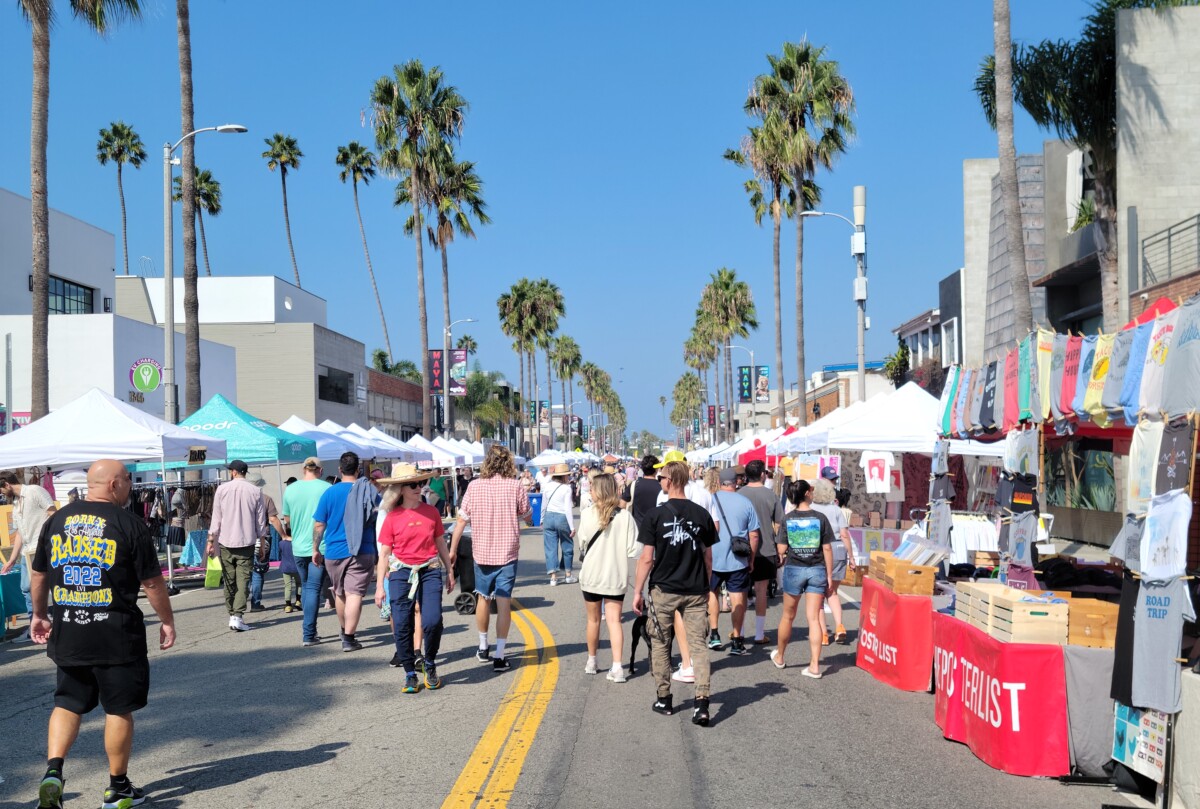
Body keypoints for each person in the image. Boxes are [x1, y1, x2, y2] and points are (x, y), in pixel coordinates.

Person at [30, 459, 175, 809]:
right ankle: (117, 787)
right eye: (127, 480)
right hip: (116, 634)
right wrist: (167, 621)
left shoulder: (57, 520)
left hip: (69, 629)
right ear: (113, 484)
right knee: (118, 709)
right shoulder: (129, 524)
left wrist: (38, 614)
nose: (130, 486)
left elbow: (38, 574)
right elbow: (152, 582)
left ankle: (53, 771)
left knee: (67, 702)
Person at [632, 460, 717, 725]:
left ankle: (664, 697)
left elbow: (646, 558)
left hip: (664, 589)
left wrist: (637, 591)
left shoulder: (655, 516)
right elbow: (708, 557)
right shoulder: (701, 514)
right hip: (694, 589)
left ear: (669, 481)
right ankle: (701, 703)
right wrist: (706, 583)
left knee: (660, 642)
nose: (660, 482)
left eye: (661, 478)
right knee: (698, 645)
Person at [374, 464, 455, 693]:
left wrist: (449, 570)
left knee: (432, 620)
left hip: (429, 570)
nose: (418, 487)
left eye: (419, 483)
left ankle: (429, 662)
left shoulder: (431, 512)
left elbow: (440, 542)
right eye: (412, 484)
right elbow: (384, 554)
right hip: (401, 573)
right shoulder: (391, 517)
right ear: (400, 488)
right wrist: (380, 586)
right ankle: (410, 672)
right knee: (401, 623)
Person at [449, 445, 530, 672]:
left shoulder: (474, 486)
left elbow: (461, 522)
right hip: (507, 552)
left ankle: (483, 646)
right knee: (504, 601)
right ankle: (500, 655)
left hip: (482, 552)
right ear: (508, 463)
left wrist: (453, 550)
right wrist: (527, 519)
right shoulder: (515, 486)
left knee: (482, 598)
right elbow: (526, 514)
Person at [313, 452, 379, 653]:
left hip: (334, 551)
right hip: (362, 549)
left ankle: (344, 630)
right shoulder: (369, 491)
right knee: (355, 593)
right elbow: (381, 517)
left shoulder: (329, 493)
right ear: (358, 469)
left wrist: (315, 549)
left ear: (340, 470)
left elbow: (319, 525)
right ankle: (349, 638)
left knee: (340, 592)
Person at [577, 473, 639, 682]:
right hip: (615, 575)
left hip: (592, 575)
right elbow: (633, 550)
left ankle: (591, 661)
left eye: (592, 488)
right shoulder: (625, 517)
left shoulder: (586, 514)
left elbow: (582, 542)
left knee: (593, 620)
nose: (590, 492)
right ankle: (617, 667)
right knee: (614, 621)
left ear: (598, 491)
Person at [771, 480, 835, 678]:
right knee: (814, 618)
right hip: (817, 569)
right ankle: (815, 665)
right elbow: (827, 548)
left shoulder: (788, 519)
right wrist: (830, 575)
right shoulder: (820, 518)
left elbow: (781, 549)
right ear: (807, 493)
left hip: (794, 569)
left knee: (787, 616)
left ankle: (780, 656)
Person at [207, 460, 267, 632]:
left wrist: (210, 541)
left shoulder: (222, 489)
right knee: (243, 581)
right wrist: (262, 544)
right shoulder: (256, 491)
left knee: (229, 581)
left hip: (225, 541)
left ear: (233, 472)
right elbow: (260, 522)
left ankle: (232, 613)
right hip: (247, 542)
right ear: (244, 472)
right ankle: (237, 615)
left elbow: (216, 519)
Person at [706, 467, 761, 656]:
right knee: (738, 596)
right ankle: (737, 639)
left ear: (719, 482)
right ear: (736, 482)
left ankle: (714, 634)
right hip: (738, 558)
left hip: (712, 556)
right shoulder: (745, 502)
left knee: (712, 592)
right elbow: (754, 535)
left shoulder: (710, 500)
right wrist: (751, 558)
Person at [0, 469, 56, 642]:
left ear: (7, 484)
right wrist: (11, 560)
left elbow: (53, 513)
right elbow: (19, 533)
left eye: (1, 489)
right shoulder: (16, 503)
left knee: (51, 588)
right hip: (27, 552)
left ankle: (53, 624)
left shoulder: (34, 491)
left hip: (44, 549)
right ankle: (36, 626)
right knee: (27, 589)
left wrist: (51, 542)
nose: (1, 493)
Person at [281, 458, 332, 646]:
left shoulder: (291, 489)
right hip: (319, 546)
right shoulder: (326, 487)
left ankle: (310, 632)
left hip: (298, 546)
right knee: (313, 589)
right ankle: (309, 633)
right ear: (320, 470)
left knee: (306, 585)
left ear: (303, 470)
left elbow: (287, 520)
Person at [738, 460, 785, 645]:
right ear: (763, 474)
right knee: (761, 591)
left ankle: (738, 631)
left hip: (742, 549)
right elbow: (780, 522)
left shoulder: (739, 494)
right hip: (766, 549)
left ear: (746, 475)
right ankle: (759, 633)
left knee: (740, 591)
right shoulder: (771, 495)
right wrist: (781, 548)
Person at [810, 479, 857, 645]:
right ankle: (839, 626)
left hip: (818, 550)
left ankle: (823, 634)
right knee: (833, 592)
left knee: (818, 595)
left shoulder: (811, 509)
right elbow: (845, 534)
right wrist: (851, 557)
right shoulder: (837, 510)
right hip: (838, 549)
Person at [247, 472, 286, 612]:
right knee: (258, 570)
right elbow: (273, 519)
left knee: (243, 570)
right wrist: (283, 534)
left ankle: (239, 603)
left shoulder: (240, 498)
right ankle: (255, 603)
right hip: (262, 537)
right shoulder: (266, 499)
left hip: (243, 538)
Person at [541, 463, 577, 586]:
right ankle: (568, 574)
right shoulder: (566, 488)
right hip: (562, 518)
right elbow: (568, 508)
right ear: (564, 476)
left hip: (549, 517)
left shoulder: (547, 486)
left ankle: (553, 578)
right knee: (567, 546)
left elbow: (544, 505)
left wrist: (541, 519)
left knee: (550, 548)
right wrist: (572, 527)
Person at [622, 455, 662, 527]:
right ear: (656, 469)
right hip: (655, 528)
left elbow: (622, 503)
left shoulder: (634, 485)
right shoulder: (661, 487)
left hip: (637, 528)